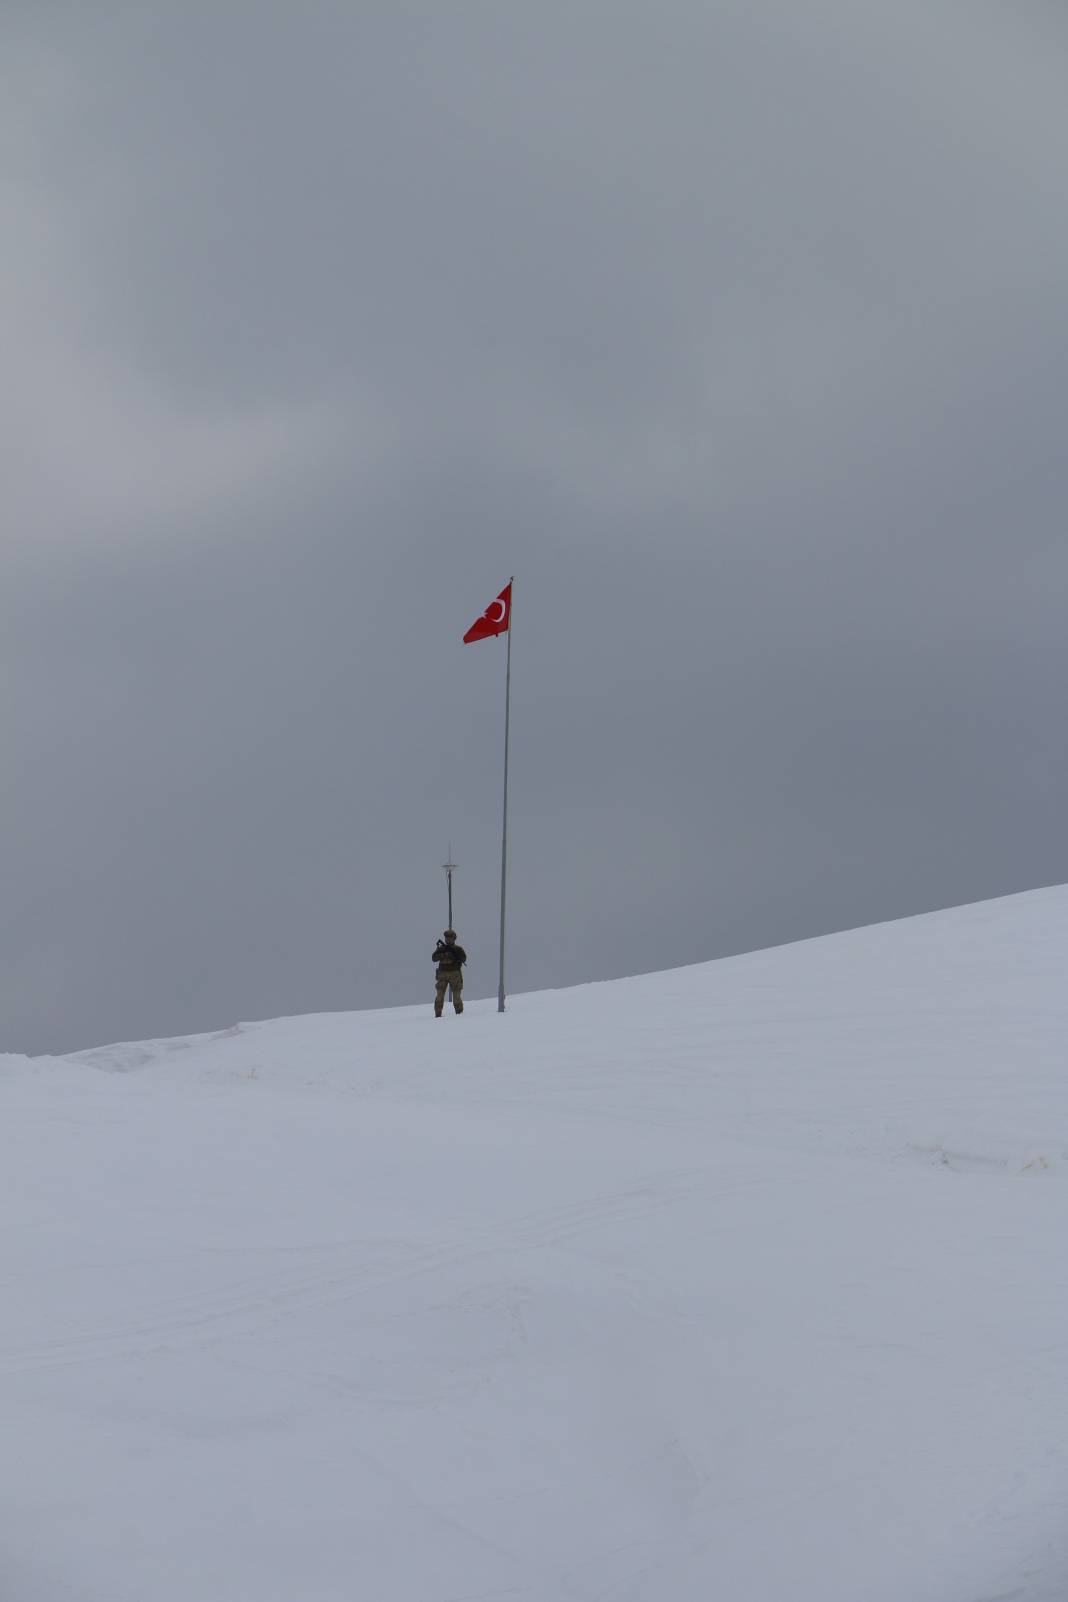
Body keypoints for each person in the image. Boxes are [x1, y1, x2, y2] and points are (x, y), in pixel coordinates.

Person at [432, 929, 467, 1016]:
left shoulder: (458, 949)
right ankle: (438, 1014)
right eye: (447, 937)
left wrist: (454, 956)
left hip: (454, 974)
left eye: (450, 937)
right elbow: (434, 958)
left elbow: (463, 959)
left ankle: (459, 1014)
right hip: (442, 974)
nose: (448, 939)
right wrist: (444, 955)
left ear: (454, 938)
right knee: (439, 996)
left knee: (456, 997)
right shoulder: (441, 948)